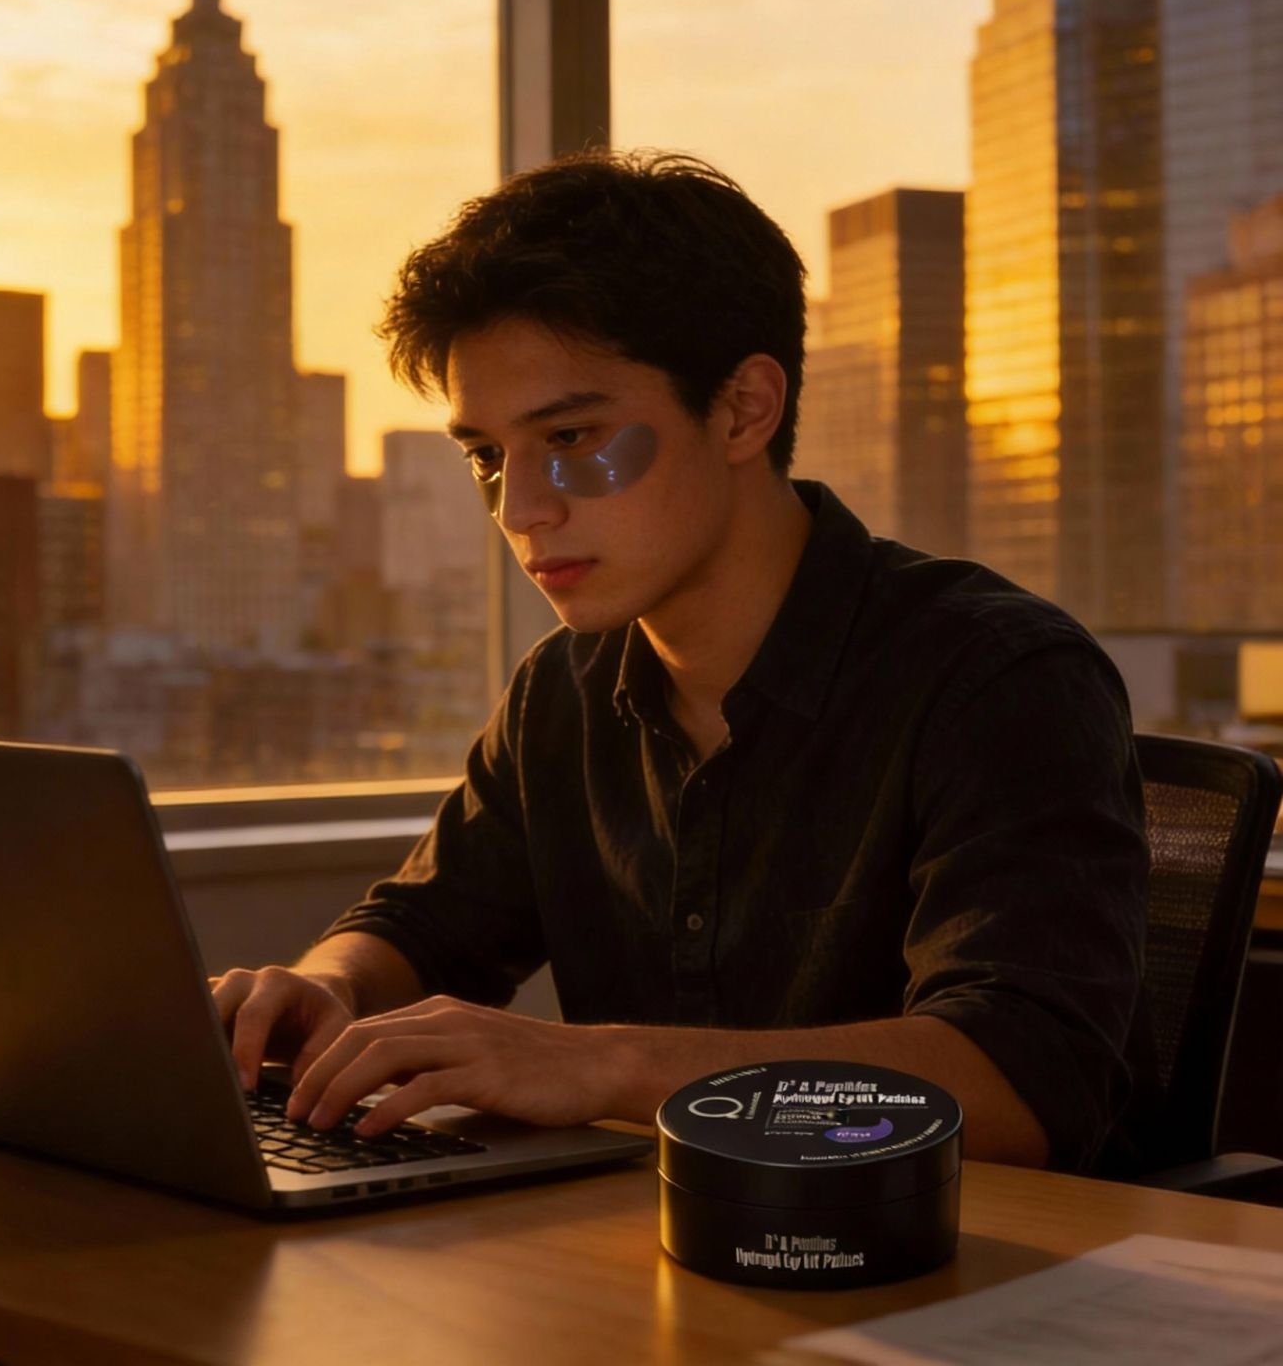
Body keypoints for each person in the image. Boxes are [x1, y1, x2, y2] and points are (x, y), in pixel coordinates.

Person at [210, 149, 1155, 1174]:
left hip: (963, 1278)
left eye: (571, 435)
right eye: (487, 456)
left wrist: (603, 1065)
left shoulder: (996, 677)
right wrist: (327, 987)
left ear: (744, 408)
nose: (520, 508)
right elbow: (426, 921)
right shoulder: (562, 696)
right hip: (659, 1265)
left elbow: (1020, 1085)